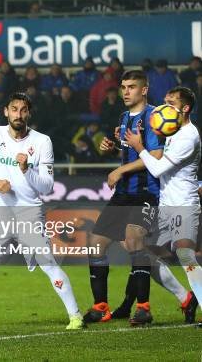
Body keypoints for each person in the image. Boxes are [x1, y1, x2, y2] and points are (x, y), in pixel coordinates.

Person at [0, 92, 84, 330]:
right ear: (6, 111)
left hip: (28, 212)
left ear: (29, 113)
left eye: (23, 110)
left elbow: (47, 186)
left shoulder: (42, 141)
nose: (18, 114)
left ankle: (75, 316)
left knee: (48, 263)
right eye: (14, 109)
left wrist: (26, 169)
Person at [84, 70, 163, 326]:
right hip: (123, 194)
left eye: (131, 87)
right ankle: (100, 306)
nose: (125, 91)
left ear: (144, 89)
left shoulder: (154, 118)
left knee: (134, 239)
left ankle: (143, 308)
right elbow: (128, 151)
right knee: (95, 244)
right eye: (123, 87)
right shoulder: (124, 117)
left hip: (146, 192)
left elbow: (156, 158)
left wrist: (120, 169)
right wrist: (114, 149)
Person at [123, 86, 201, 323]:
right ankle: (185, 298)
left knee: (186, 254)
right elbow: (153, 155)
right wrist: (125, 143)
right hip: (165, 204)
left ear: (185, 108)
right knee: (142, 255)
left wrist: (139, 147)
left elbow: (156, 167)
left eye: (171, 103)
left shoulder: (188, 136)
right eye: (164, 101)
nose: (164, 107)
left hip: (183, 204)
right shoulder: (168, 129)